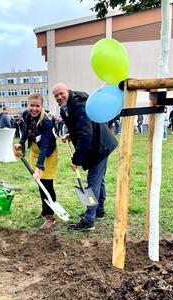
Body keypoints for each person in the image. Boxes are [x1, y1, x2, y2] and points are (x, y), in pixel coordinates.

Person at [52, 83, 118, 232]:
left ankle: (89, 220)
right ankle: (99, 210)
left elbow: (86, 133)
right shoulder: (67, 107)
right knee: (99, 179)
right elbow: (79, 127)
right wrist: (71, 134)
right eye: (56, 95)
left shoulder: (79, 103)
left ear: (68, 91)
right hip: (99, 144)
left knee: (93, 182)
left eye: (61, 93)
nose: (59, 97)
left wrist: (77, 159)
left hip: (99, 146)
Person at [13, 93, 58, 230]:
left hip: (48, 154)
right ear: (28, 105)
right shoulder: (27, 115)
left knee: (47, 184)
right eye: (32, 105)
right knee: (40, 183)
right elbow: (26, 130)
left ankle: (50, 218)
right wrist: (20, 143)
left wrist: (39, 168)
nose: (34, 109)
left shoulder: (46, 121)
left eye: (37, 106)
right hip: (34, 151)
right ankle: (45, 209)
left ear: (42, 106)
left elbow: (44, 146)